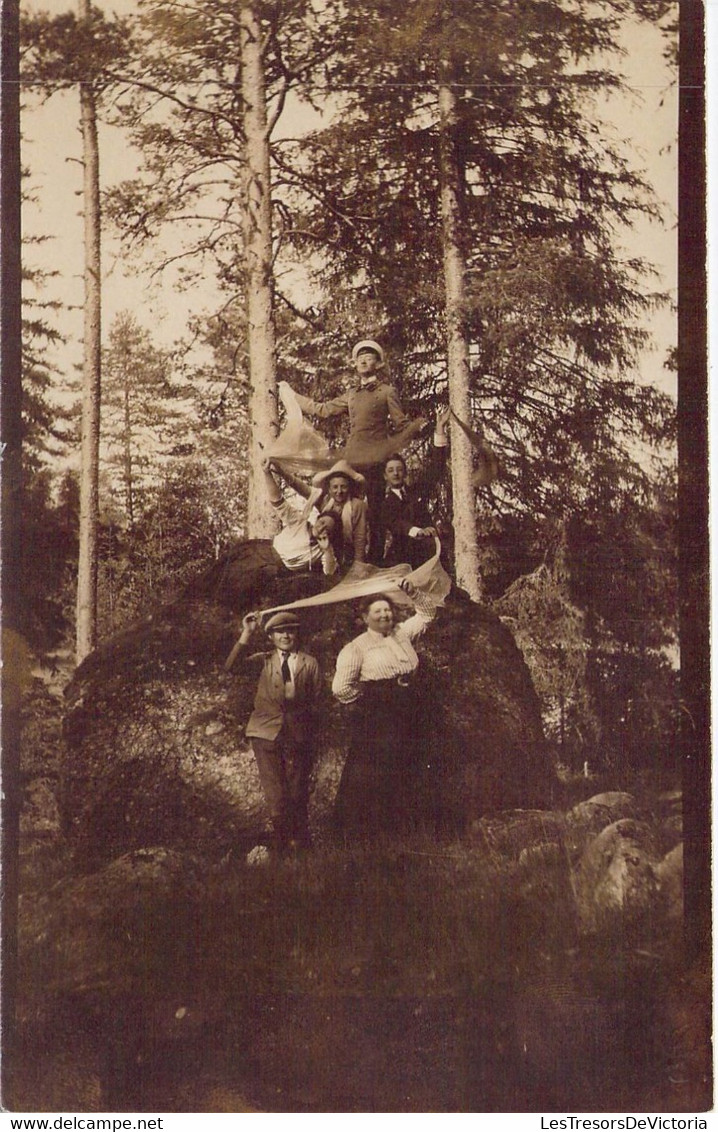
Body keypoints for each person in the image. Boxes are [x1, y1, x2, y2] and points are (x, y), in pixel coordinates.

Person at [280, 339, 426, 561]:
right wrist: (291, 396)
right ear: (355, 364)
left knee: (376, 516)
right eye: (360, 358)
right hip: (352, 461)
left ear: (377, 364)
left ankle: (374, 563)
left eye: (369, 358)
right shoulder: (351, 395)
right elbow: (323, 410)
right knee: (341, 507)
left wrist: (420, 427)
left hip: (377, 462)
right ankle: (340, 558)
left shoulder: (387, 392)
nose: (364, 361)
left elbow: (401, 424)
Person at [331, 579, 436, 837]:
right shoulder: (356, 647)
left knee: (416, 763)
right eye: (377, 611)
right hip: (380, 715)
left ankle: (414, 829)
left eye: (386, 610)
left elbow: (428, 614)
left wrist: (413, 593)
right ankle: (376, 835)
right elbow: (340, 688)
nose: (384, 614)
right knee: (381, 769)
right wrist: (374, 695)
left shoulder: (402, 633)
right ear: (366, 617)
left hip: (413, 706)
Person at [228, 609, 322, 856]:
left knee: (297, 791)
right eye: (280, 631)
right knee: (276, 794)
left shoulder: (309, 663)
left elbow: (317, 701)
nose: (286, 635)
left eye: (290, 630)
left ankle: (299, 848)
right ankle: (283, 846)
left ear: (297, 634)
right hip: (265, 732)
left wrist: (309, 732)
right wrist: (246, 633)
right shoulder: (263, 660)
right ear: (271, 636)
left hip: (298, 734)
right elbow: (232, 667)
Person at [195, 458, 339, 610]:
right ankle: (200, 604)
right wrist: (267, 473)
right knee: (223, 575)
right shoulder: (299, 522)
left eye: (327, 529)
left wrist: (326, 549)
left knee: (243, 592)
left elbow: (328, 573)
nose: (322, 528)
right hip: (260, 551)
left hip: (275, 569)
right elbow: (277, 501)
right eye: (322, 523)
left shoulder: (322, 550)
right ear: (317, 519)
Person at [380, 407, 451, 569]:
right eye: (391, 470)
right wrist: (416, 531)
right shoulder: (386, 504)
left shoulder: (416, 491)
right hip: (402, 559)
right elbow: (395, 524)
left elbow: (436, 468)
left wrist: (440, 428)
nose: (396, 473)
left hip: (427, 553)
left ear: (404, 472)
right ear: (385, 476)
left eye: (399, 469)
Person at [281, 459, 369, 568]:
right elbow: (304, 490)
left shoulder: (357, 505)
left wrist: (358, 566)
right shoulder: (326, 501)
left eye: (344, 486)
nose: (339, 491)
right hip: (325, 551)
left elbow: (360, 538)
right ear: (329, 489)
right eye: (335, 487)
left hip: (347, 554)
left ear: (350, 488)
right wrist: (282, 473)